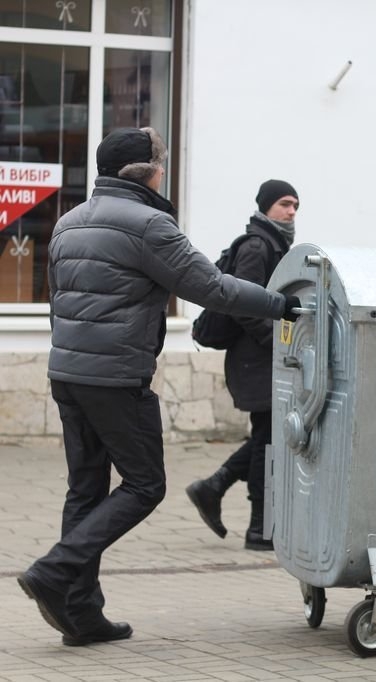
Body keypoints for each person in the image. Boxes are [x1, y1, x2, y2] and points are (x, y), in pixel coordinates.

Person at [17, 127, 301, 646]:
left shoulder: (68, 222)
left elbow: (58, 302)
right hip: (117, 377)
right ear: (149, 173)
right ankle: (55, 571)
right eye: (161, 165)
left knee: (85, 489)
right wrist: (281, 305)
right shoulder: (149, 224)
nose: (164, 173)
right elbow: (212, 288)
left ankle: (80, 613)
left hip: (68, 373)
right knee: (145, 485)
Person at [186, 180, 299, 551]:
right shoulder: (256, 246)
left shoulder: (275, 244)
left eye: (295, 205)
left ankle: (213, 487)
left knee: (270, 436)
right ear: (266, 207)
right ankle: (259, 529)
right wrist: (277, 342)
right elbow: (243, 303)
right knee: (269, 442)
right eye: (284, 204)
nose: (291, 211)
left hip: (266, 359)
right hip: (256, 361)